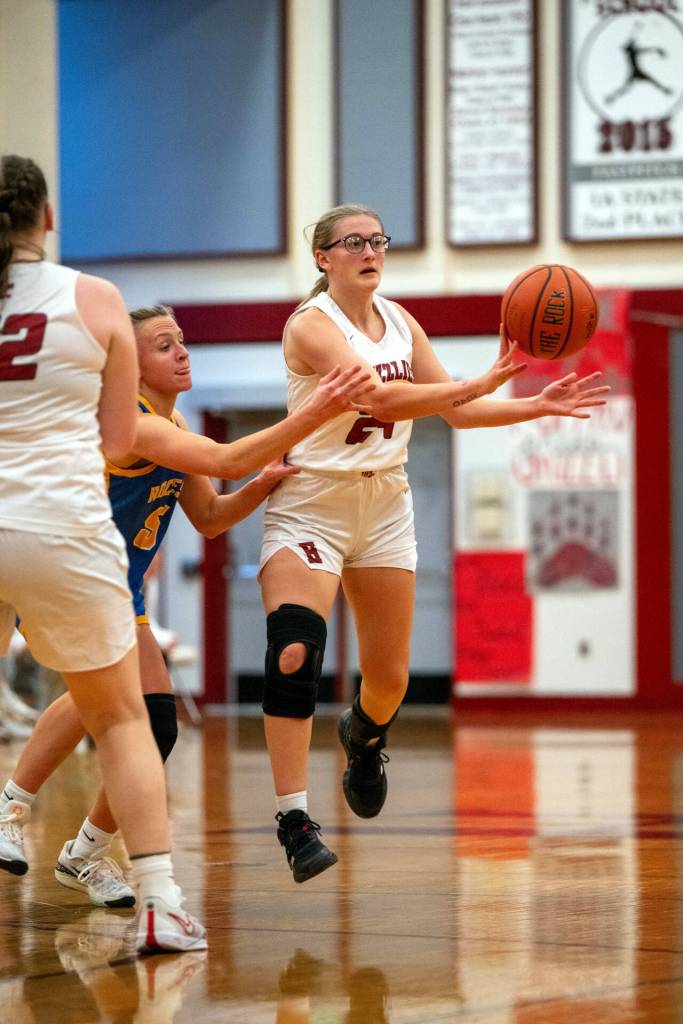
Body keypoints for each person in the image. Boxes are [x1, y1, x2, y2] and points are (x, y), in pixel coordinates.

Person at [258, 204, 610, 882]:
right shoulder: (309, 325)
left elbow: (455, 410)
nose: (369, 249)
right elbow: (383, 404)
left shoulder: (400, 321)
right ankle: (294, 817)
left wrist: (533, 404)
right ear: (323, 258)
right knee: (296, 649)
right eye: (351, 241)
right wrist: (477, 379)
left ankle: (362, 736)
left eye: (377, 239)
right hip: (313, 503)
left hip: (385, 503)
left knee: (389, 680)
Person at [0, 303, 373, 905]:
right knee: (107, 702)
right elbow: (225, 459)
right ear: (132, 365)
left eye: (183, 342)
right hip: (70, 573)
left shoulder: (175, 433)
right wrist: (317, 410)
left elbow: (209, 518)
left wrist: (260, 484)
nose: (182, 352)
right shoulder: (131, 423)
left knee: (157, 725)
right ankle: (11, 809)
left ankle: (85, 854)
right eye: (164, 345)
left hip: (122, 590)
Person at [0, 153, 206, 953]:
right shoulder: (92, 297)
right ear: (46, 218)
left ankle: (22, 818)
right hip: (59, 524)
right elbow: (119, 440)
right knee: (124, 719)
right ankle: (156, 900)